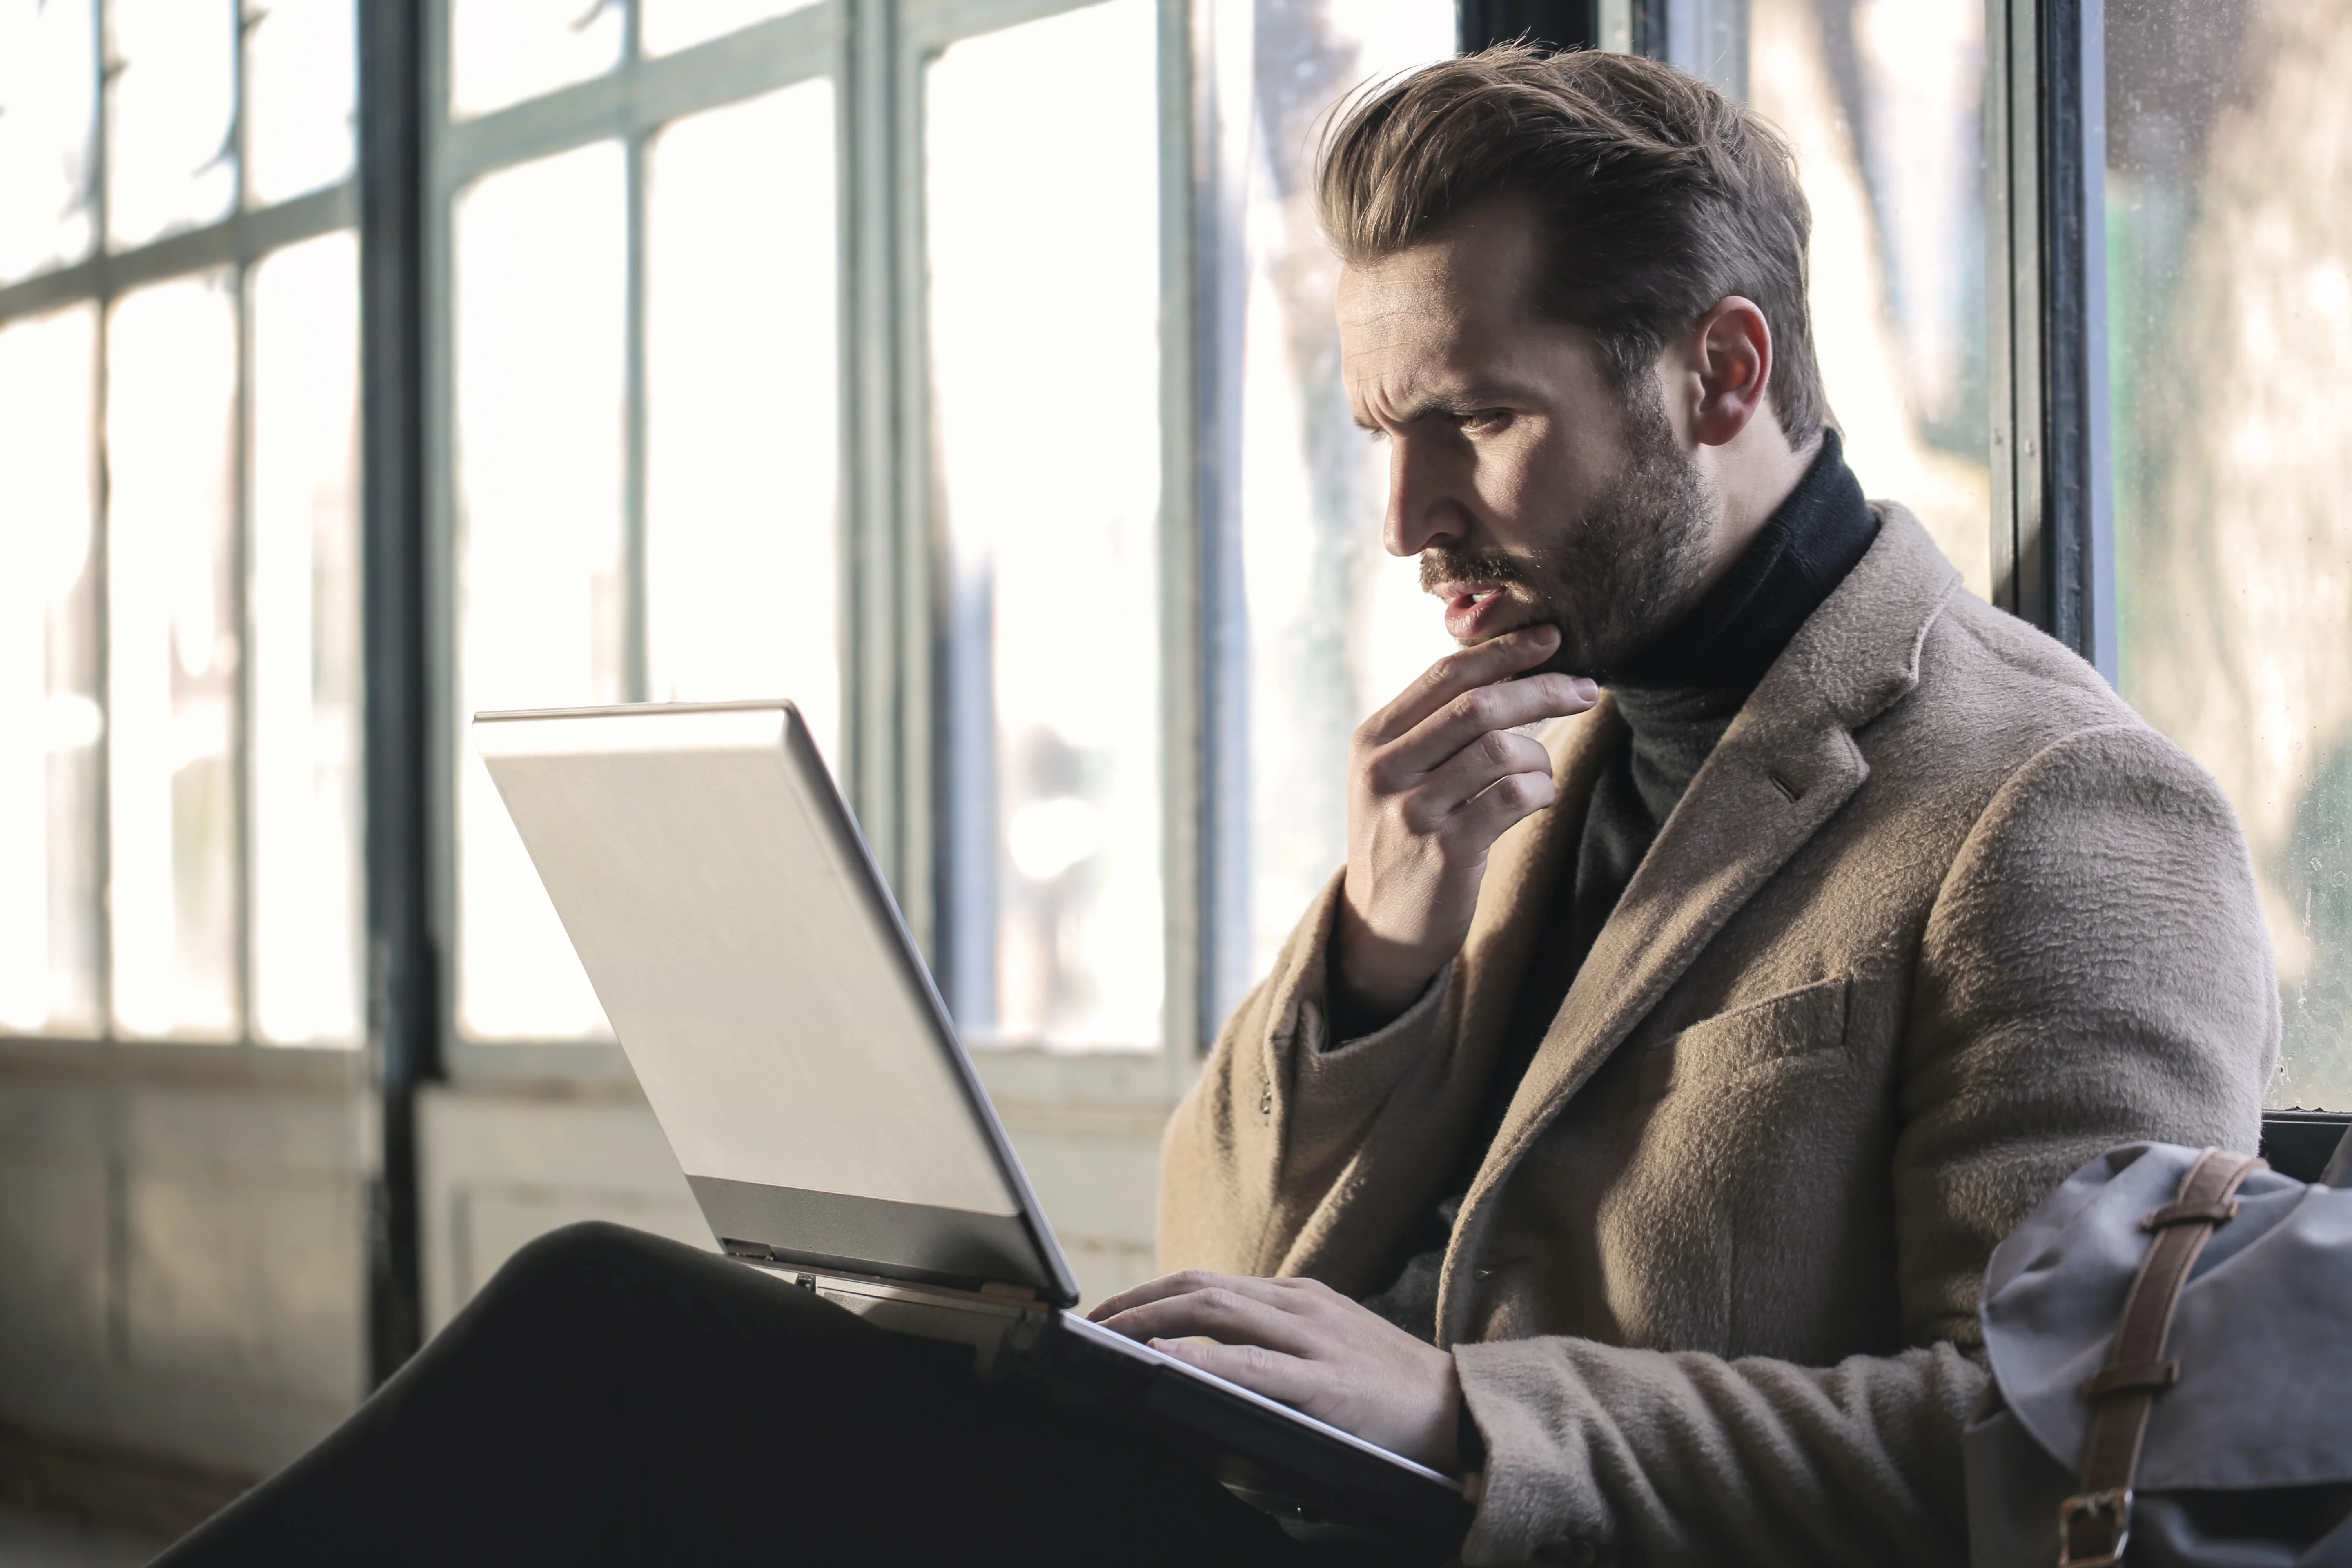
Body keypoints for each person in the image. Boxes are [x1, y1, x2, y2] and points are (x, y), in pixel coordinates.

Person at [153, 44, 2276, 1568]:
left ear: (1721, 379)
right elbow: (1223, 1255)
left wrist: (1463, 1418)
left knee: (613, 1366)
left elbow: (2062, 1458)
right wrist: (1372, 956)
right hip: (1260, 1506)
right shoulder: (1528, 733)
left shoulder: (2060, 807)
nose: (1409, 518)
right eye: (1382, 430)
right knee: (615, 1331)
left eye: (1475, 421)